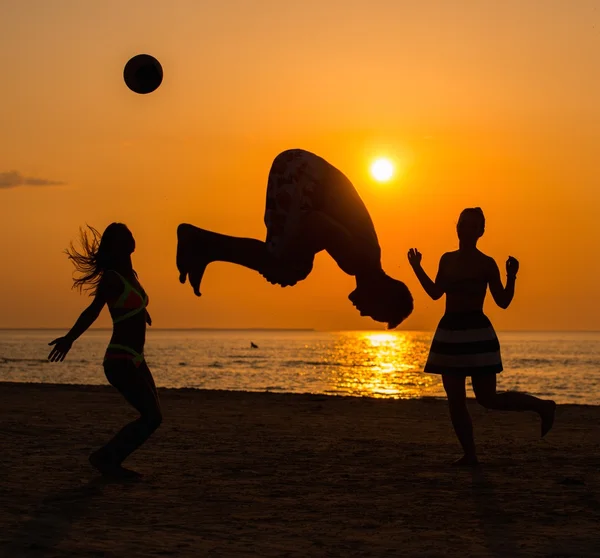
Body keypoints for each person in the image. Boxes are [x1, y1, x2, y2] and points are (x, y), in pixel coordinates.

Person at [176, 148, 413, 329]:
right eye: (372, 312)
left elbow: (323, 226)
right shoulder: (358, 260)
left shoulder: (364, 258)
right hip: (302, 173)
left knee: (288, 264)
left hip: (301, 169)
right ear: (382, 296)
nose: (363, 314)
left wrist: (297, 255)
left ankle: (203, 246)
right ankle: (199, 242)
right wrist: (298, 255)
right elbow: (315, 223)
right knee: (288, 265)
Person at [407, 207, 556, 466]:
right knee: (455, 401)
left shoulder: (486, 263)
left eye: (472, 225)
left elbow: (503, 301)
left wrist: (512, 277)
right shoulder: (447, 259)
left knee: (488, 398)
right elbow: (434, 293)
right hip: (450, 333)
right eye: (462, 223)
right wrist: (416, 267)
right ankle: (470, 455)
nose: (465, 228)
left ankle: (542, 406)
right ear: (457, 227)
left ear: (481, 231)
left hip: (477, 333)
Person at [47, 223, 161, 478]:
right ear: (119, 246)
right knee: (151, 417)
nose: (132, 237)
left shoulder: (131, 274)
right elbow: (93, 311)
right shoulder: (112, 278)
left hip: (136, 359)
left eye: (131, 233)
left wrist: (142, 312)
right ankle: (106, 459)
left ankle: (108, 459)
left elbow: (130, 303)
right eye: (126, 236)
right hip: (119, 359)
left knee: (154, 417)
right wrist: (69, 338)